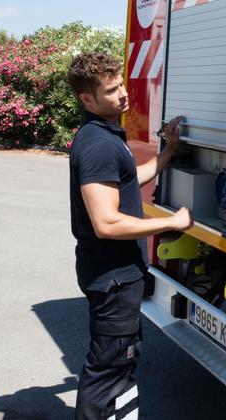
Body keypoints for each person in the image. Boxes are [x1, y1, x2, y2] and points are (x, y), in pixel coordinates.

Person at [65, 52, 191, 420]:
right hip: (114, 278)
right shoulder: (99, 145)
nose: (122, 94)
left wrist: (167, 154)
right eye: (110, 90)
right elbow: (107, 223)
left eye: (120, 84)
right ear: (87, 99)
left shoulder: (104, 134)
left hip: (115, 275)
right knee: (109, 370)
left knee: (120, 364)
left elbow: (127, 179)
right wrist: (169, 223)